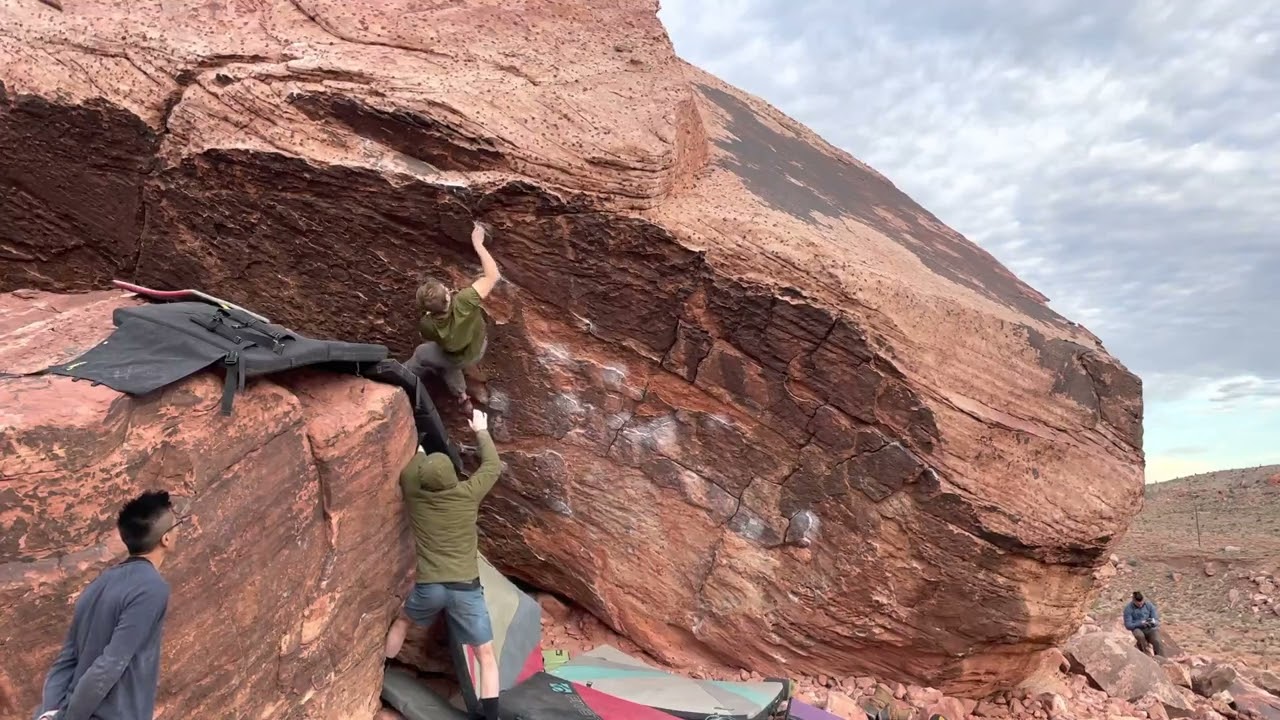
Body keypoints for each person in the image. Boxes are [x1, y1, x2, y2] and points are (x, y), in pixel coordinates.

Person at [385, 408, 504, 720]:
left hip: (430, 588)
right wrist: (481, 430)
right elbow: (492, 467)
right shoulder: (467, 494)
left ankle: (380, 669)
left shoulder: (415, 494)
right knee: (485, 656)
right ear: (453, 476)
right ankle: (490, 717)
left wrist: (421, 448)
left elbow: (411, 471)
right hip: (466, 590)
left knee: (402, 622)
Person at [34, 490, 184, 720]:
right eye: (177, 525)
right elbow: (111, 663)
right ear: (165, 538)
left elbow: (66, 660)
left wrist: (48, 713)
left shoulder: (98, 585)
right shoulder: (152, 588)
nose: (179, 531)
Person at [407, 221, 501, 410]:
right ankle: (462, 395)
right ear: (449, 296)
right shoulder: (464, 300)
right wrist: (478, 244)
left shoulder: (427, 324)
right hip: (476, 347)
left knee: (426, 354)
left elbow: (430, 335)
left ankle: (403, 377)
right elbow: (493, 276)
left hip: (454, 354)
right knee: (449, 361)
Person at [1123, 590, 1166, 657]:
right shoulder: (1128, 609)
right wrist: (1140, 623)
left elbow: (1156, 619)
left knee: (1157, 640)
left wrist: (1152, 621)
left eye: (1142, 603)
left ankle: (1161, 658)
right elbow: (1128, 625)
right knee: (1139, 636)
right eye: (1138, 604)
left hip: (1149, 627)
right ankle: (1145, 655)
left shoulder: (1149, 605)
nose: (1140, 605)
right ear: (1133, 601)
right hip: (1137, 628)